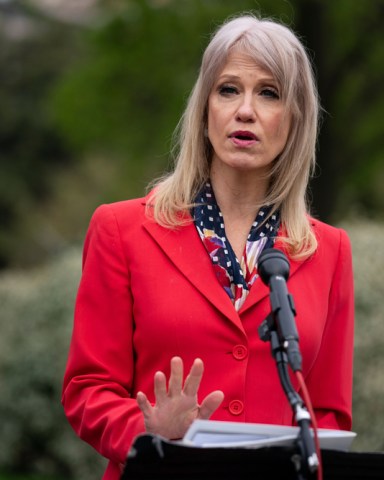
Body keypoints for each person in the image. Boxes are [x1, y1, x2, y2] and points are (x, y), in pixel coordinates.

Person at [62, 13, 354, 480]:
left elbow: (329, 415)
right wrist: (148, 431)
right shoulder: (121, 229)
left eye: (269, 93)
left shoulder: (330, 250)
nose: (245, 111)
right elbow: (87, 388)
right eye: (228, 89)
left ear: (294, 119)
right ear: (204, 109)